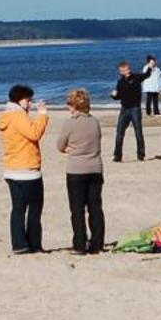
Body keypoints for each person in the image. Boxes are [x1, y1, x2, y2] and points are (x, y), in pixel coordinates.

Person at [0, 84, 49, 254]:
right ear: (20, 100)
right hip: (26, 170)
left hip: (13, 168)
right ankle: (32, 244)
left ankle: (20, 244)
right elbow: (34, 133)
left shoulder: (9, 115)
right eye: (28, 100)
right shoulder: (17, 116)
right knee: (34, 208)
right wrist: (42, 115)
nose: (30, 103)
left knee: (18, 209)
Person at [56, 87, 106, 254]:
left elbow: (60, 146)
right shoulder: (95, 121)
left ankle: (79, 244)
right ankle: (97, 243)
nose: (68, 107)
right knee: (95, 208)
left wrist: (71, 149)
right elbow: (97, 140)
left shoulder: (70, 123)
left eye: (69, 104)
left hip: (76, 170)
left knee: (77, 209)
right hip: (95, 168)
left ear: (75, 105)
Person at [110, 61, 149, 162]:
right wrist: (114, 95)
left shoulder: (136, 78)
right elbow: (118, 96)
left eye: (127, 69)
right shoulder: (120, 82)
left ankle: (141, 155)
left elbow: (146, 75)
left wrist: (150, 66)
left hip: (135, 109)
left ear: (129, 69)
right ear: (121, 72)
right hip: (124, 109)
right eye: (123, 70)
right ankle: (117, 156)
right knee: (119, 133)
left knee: (138, 132)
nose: (126, 71)